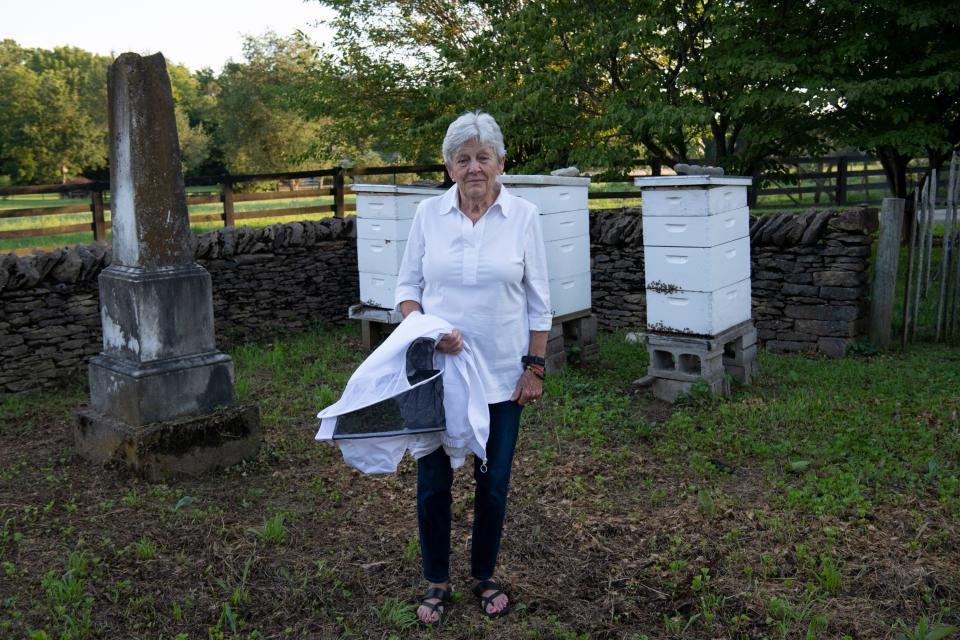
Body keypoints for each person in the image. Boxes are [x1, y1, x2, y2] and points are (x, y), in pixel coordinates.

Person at [394, 110, 552, 625]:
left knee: (493, 480)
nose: (474, 167)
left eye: (483, 157)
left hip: (503, 375)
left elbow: (540, 302)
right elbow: (406, 291)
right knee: (433, 480)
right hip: (439, 375)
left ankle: (484, 573)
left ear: (501, 163)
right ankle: (436, 580)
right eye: (463, 158)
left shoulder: (524, 216)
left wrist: (535, 366)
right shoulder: (427, 216)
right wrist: (427, 329)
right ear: (449, 166)